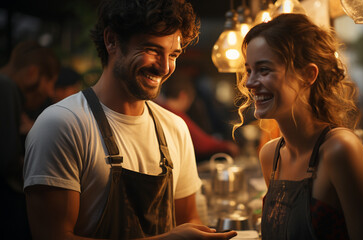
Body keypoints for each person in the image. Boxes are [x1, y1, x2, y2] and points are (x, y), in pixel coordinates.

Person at [23, 0, 237, 239]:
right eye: (153, 50)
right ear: (111, 40)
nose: (165, 67)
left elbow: (190, 221)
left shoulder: (174, 128)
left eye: (174, 54)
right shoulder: (62, 125)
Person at [234, 14, 363, 240]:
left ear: (307, 75)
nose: (249, 83)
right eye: (249, 70)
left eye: (264, 70)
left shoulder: (340, 149)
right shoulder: (270, 155)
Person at [0, 40, 60, 239]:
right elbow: (8, 159)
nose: (50, 92)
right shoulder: (6, 87)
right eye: (50, 81)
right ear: (32, 73)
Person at [159, 72, 239, 162]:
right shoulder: (174, 114)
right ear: (183, 96)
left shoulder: (159, 109)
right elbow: (201, 144)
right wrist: (226, 146)